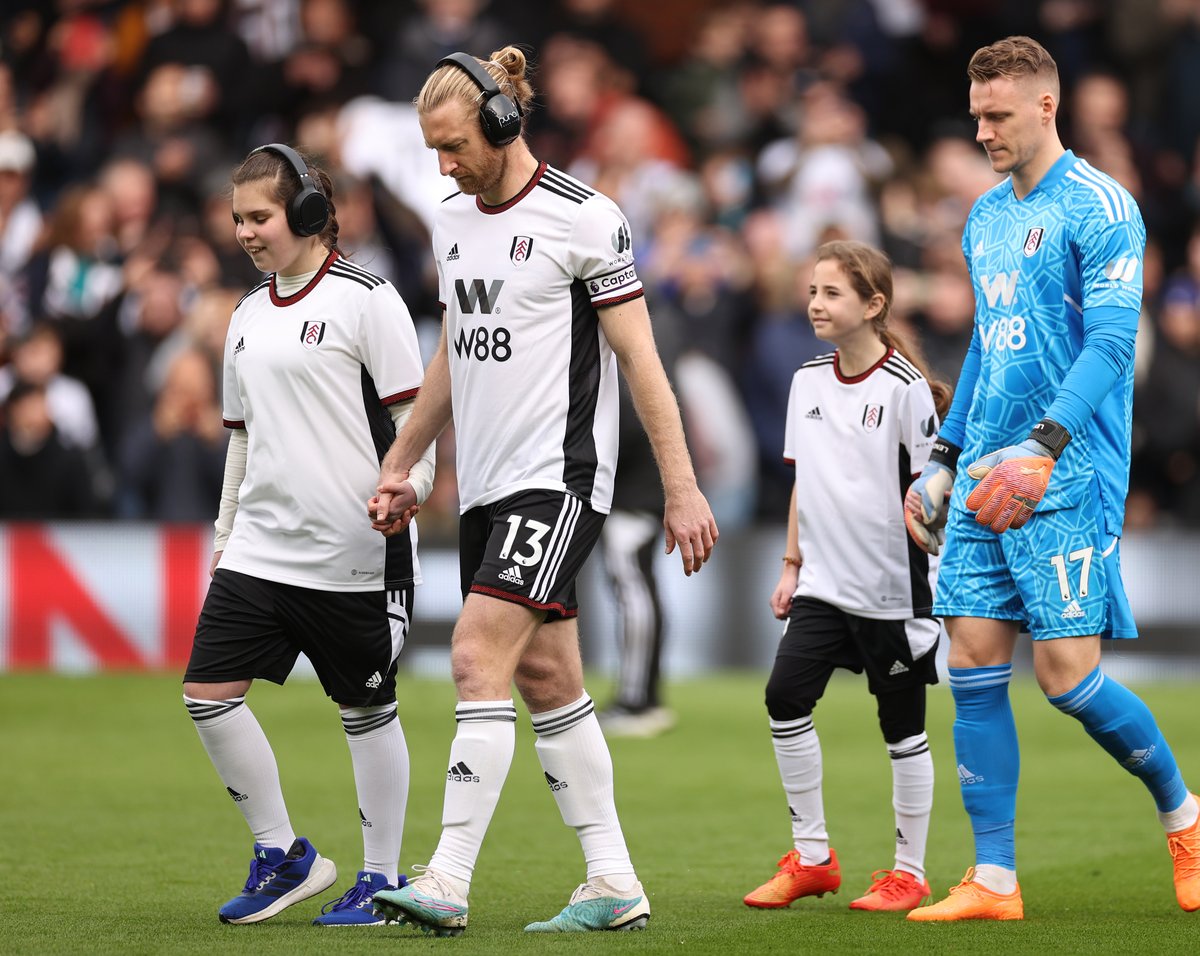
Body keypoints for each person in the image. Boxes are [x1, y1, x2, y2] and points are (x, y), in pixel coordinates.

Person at [367, 47, 718, 935]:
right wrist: (403, 460)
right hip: (486, 487)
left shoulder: (584, 218)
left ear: (503, 123)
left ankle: (446, 879)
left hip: (559, 480)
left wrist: (681, 487)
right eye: (433, 150)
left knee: (474, 656)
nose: (444, 167)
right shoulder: (451, 221)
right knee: (546, 676)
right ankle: (613, 883)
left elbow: (642, 360)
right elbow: (455, 352)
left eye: (454, 146)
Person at [903, 36, 1200, 921]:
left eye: (997, 115)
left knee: (1067, 678)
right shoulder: (983, 216)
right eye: (976, 116)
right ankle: (994, 878)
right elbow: (987, 346)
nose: (983, 132)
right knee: (971, 663)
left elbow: (1111, 343)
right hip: (986, 468)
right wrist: (945, 457)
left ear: (1045, 106)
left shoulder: (1102, 206)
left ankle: (1186, 818)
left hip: (1065, 469)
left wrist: (1042, 445)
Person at [181, 143, 435, 926]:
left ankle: (381, 879)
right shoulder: (246, 314)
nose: (245, 233)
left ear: (308, 213)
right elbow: (242, 440)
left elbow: (415, 419)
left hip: (355, 554)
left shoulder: (369, 300)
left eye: (259, 217)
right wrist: (225, 535)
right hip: (260, 549)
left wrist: (414, 487)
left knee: (366, 711)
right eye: (237, 220)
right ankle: (283, 855)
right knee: (206, 695)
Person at [742, 240, 950, 914]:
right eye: (812, 291)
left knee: (902, 729)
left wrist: (940, 570)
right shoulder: (806, 379)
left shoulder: (905, 389)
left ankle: (910, 874)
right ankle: (812, 859)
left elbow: (933, 493)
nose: (816, 304)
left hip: (893, 593)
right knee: (784, 698)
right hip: (823, 587)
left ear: (873, 304)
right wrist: (791, 566)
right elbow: (805, 481)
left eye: (832, 293)